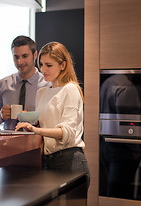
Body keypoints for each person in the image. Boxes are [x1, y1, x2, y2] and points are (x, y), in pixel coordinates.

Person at [15, 41, 90, 188]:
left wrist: (36, 130)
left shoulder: (71, 89)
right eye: (41, 64)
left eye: (49, 65)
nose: (43, 70)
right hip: (47, 161)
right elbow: (46, 124)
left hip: (70, 161)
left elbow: (66, 133)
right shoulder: (42, 92)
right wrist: (32, 123)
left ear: (63, 65)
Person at [0, 35, 50, 130]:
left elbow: (54, 120)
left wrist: (34, 119)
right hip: (7, 143)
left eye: (24, 56)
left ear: (35, 55)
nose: (20, 62)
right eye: (16, 57)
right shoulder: (2, 85)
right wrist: (0, 115)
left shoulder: (48, 85)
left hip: (37, 143)